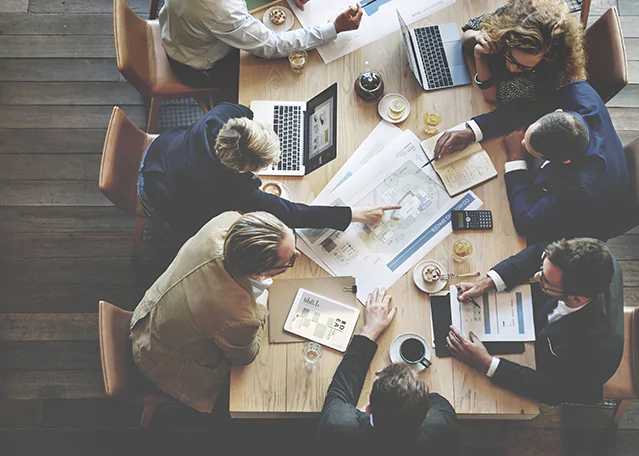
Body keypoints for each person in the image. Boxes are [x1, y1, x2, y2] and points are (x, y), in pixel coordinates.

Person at [138, 102, 398, 239]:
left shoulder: (218, 118)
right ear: (241, 171)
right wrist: (355, 214)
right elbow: (293, 213)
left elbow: (246, 113)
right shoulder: (233, 191)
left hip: (161, 151)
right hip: (157, 194)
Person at [130, 211, 299, 413]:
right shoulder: (240, 317)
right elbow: (245, 356)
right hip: (162, 362)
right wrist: (261, 306)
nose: (297, 255)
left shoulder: (224, 221)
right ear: (257, 274)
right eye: (289, 262)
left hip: (150, 313)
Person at [432, 81, 629, 244]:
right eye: (528, 136)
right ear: (558, 113)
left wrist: (516, 158)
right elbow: (531, 107)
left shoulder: (578, 189)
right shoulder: (580, 92)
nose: (523, 142)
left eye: (529, 147)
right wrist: (473, 131)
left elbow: (527, 221)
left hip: (582, 224)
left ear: (563, 161)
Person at [446, 238, 624, 405]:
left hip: (563, 369)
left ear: (576, 298)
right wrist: (487, 282)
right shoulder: (589, 252)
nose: (537, 276)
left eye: (545, 281)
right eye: (541, 268)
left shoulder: (596, 351)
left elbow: (556, 392)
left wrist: (488, 364)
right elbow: (538, 252)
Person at [317, 288, 458, 453]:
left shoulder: (339, 427)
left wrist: (370, 331)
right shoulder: (442, 428)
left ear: (368, 408)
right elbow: (435, 399)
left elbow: (340, 389)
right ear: (427, 413)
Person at [159, 0, 363, 91]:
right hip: (197, 65)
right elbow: (272, 46)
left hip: (177, 31)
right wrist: (334, 28)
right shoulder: (220, 10)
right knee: (277, 81)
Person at [461, 0, 586, 104]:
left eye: (523, 67)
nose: (512, 68)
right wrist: (476, 36)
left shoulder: (548, 74)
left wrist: (479, 56)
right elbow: (468, 31)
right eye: (510, 56)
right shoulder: (515, 18)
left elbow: (492, 96)